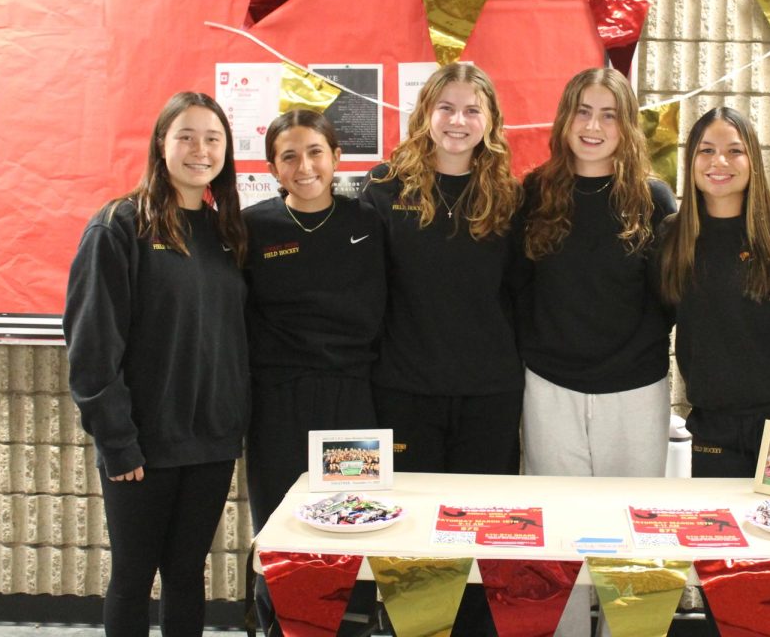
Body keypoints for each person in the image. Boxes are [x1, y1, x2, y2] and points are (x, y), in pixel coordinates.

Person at [64, 91, 248, 637]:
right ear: (160, 145)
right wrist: (116, 441)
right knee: (133, 577)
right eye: (186, 136)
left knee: (188, 575)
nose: (200, 149)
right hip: (142, 446)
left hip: (211, 443)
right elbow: (92, 344)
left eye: (213, 138)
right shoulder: (120, 226)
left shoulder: (226, 232)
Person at [243, 108, 385, 635]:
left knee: (353, 529)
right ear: (274, 169)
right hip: (279, 405)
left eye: (315, 152)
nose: (304, 166)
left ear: (337, 159)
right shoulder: (253, 227)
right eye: (289, 156)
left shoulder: (367, 222)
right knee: (283, 535)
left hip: (351, 405)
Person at [359, 63, 522, 474]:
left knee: (482, 519)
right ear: (425, 113)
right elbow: (366, 290)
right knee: (407, 521)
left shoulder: (510, 196)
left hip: (489, 392)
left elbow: (522, 292)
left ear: (490, 120)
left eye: (472, 111)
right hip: (403, 388)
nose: (457, 121)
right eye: (446, 108)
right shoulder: (384, 187)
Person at [657, 107, 770, 478]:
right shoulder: (672, 237)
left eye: (734, 150)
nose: (719, 161)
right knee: (723, 535)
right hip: (715, 425)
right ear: (690, 159)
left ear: (752, 159)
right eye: (706, 150)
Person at [518, 66, 675, 479]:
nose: (593, 126)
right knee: (556, 522)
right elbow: (517, 288)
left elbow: (670, 294)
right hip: (550, 387)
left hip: (636, 388)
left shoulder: (653, 198)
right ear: (565, 117)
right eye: (583, 111)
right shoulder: (533, 192)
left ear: (627, 126)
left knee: (632, 523)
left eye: (609, 115)